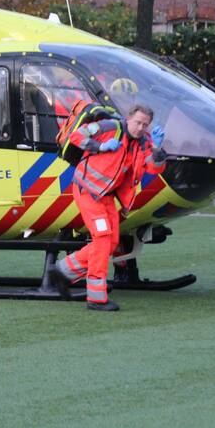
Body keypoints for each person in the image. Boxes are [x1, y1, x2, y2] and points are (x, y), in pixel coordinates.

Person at [47, 104, 167, 311]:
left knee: (110, 243)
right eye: (138, 122)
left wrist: (158, 149)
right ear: (128, 118)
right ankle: (96, 298)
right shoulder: (109, 127)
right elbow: (76, 136)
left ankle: (61, 271)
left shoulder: (145, 143)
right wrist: (99, 147)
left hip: (107, 197)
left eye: (145, 124)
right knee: (102, 239)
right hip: (88, 191)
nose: (140, 127)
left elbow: (153, 168)